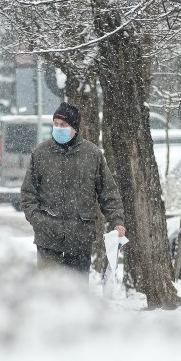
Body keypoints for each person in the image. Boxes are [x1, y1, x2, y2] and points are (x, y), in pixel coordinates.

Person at [20, 102, 125, 273]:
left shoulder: (92, 154)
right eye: (55, 124)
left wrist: (117, 221)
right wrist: (39, 221)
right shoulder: (41, 153)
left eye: (63, 124)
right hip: (48, 241)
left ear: (74, 127)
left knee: (77, 295)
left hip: (79, 240)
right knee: (48, 294)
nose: (58, 128)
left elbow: (108, 193)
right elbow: (28, 194)